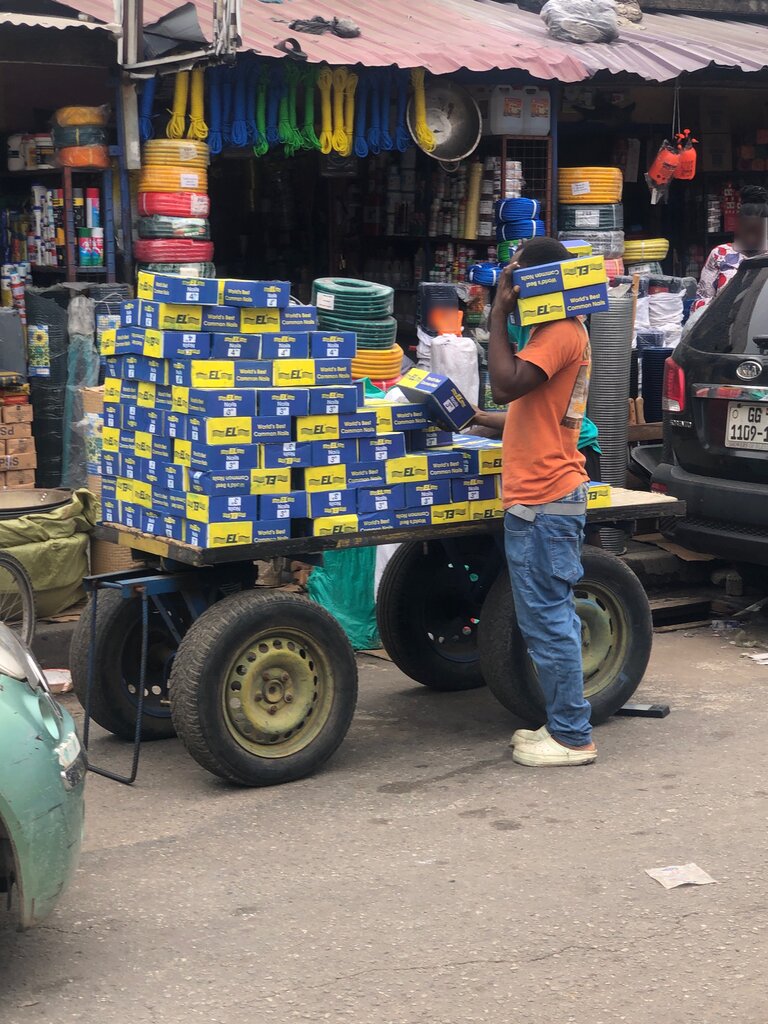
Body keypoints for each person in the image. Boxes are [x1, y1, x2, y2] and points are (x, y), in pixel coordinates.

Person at [487, 236, 596, 768]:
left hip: (544, 500)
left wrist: (495, 314)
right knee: (552, 619)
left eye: (514, 277)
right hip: (546, 497)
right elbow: (529, 411)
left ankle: (573, 737)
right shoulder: (556, 332)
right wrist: (474, 418)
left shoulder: (557, 332)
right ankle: (565, 723)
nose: (508, 284)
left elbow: (506, 385)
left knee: (548, 622)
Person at [692, 184, 768, 312]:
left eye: (757, 230)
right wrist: (724, 303)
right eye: (747, 229)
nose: (751, 236)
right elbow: (699, 303)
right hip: (722, 327)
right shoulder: (720, 254)